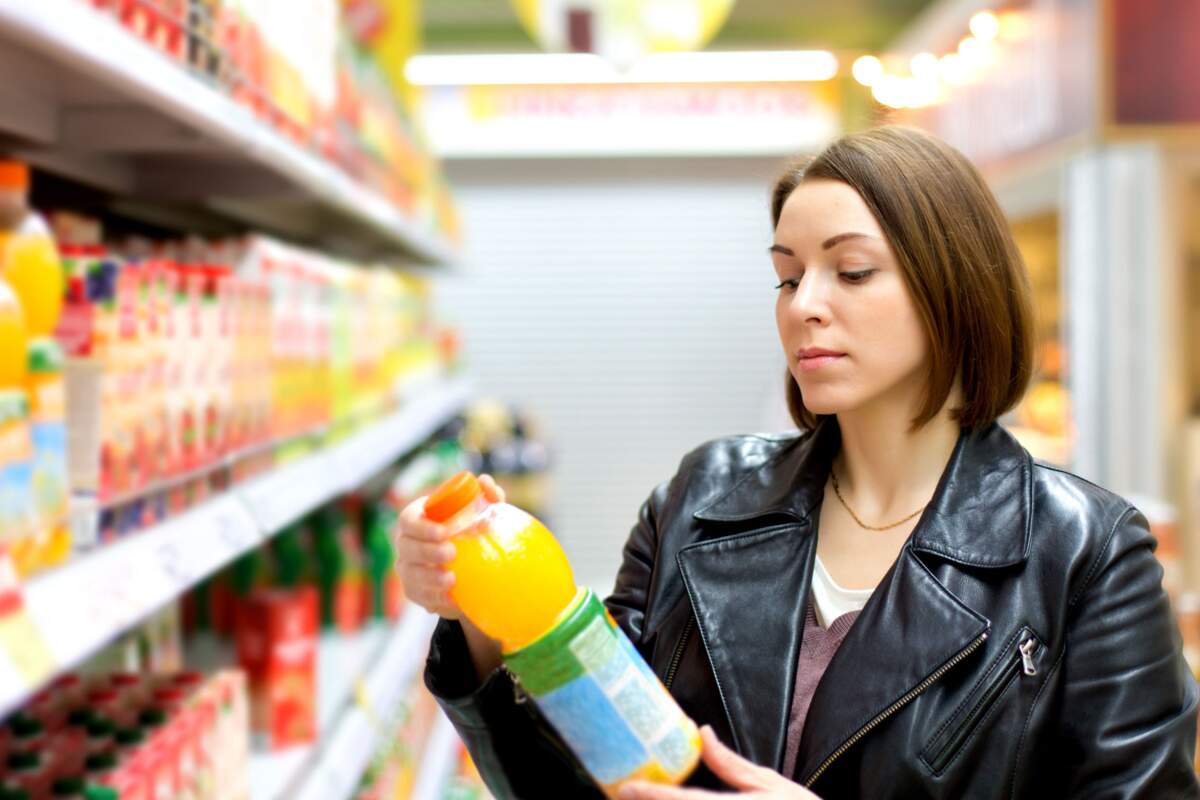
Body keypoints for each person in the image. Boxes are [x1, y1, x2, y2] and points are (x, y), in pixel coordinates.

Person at [394, 126, 1200, 799]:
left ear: (954, 285)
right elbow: (571, 780)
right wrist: (481, 612)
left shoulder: (1084, 552)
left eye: (851, 271)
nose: (805, 303)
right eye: (787, 275)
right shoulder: (702, 499)